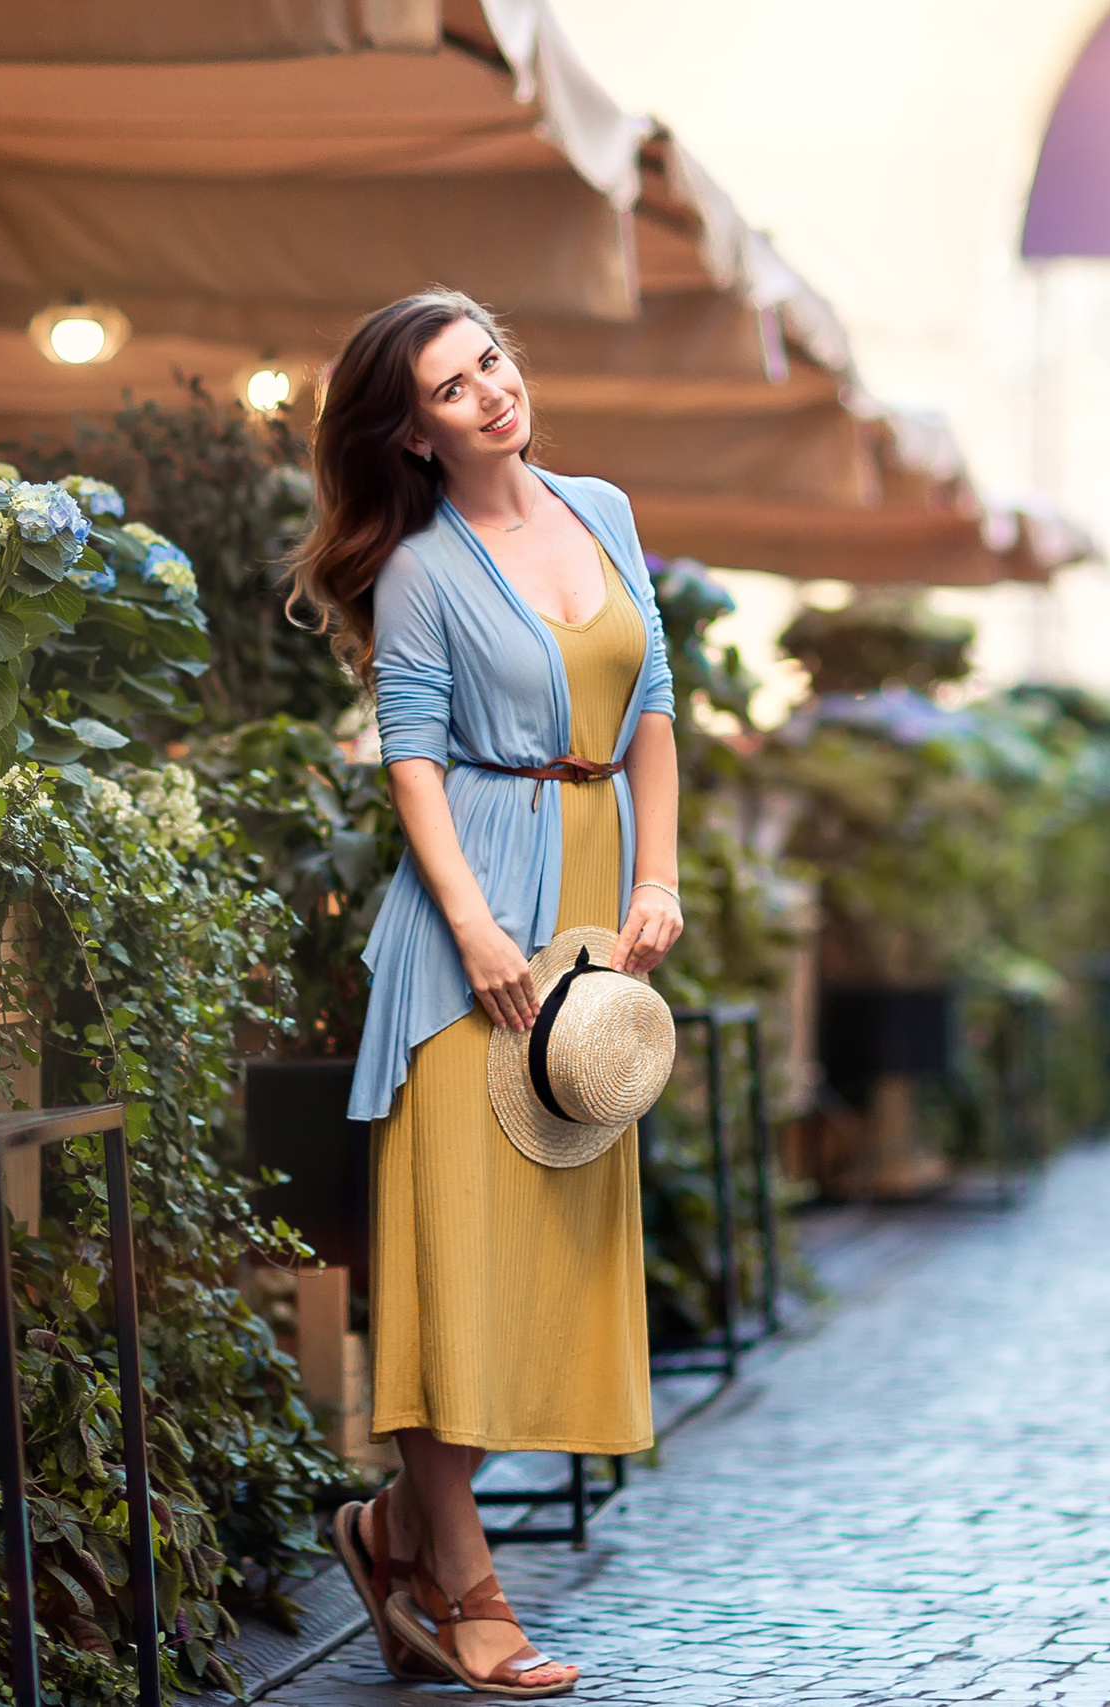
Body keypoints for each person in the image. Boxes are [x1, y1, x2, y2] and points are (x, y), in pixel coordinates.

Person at [289, 289, 683, 1697]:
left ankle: (391, 1529)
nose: (492, 392)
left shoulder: (603, 507)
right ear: (412, 432)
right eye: (454, 388)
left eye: (493, 361)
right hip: (473, 947)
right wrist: (475, 928)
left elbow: (652, 708)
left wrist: (661, 879)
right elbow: (411, 764)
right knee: (467, 1271)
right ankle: (467, 1584)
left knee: (550, 1281)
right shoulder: (417, 571)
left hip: (592, 937)